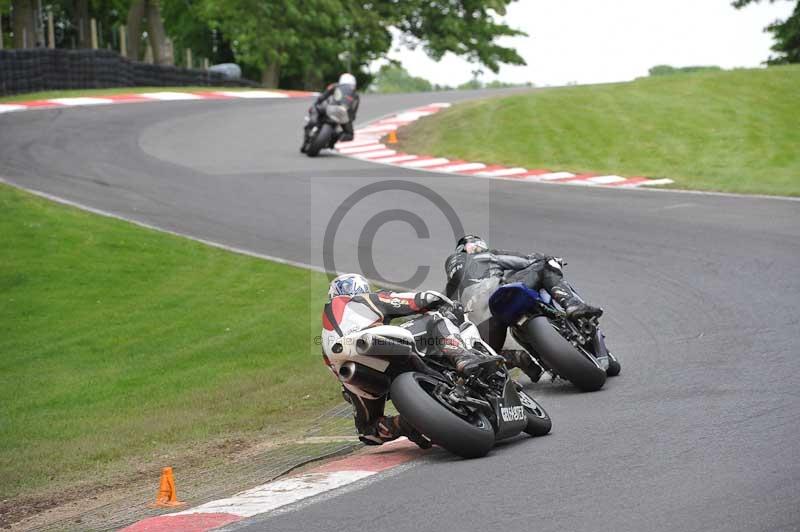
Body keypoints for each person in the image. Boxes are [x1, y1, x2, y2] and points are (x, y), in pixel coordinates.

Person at [321, 273, 496, 448]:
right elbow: (414, 301)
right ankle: (462, 357)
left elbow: (334, 368)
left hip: (351, 372)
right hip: (370, 341)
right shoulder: (362, 300)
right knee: (435, 318)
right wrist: (443, 302)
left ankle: (404, 424)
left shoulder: (325, 334)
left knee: (368, 431)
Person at [444, 235, 602, 381]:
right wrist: (553, 261)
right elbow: (528, 261)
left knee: (485, 351)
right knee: (544, 264)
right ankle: (572, 304)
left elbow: (444, 314)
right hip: (499, 297)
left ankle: (516, 357)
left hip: (483, 334)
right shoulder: (484, 256)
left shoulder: (449, 292)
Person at [301, 73, 360, 153]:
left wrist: (316, 104)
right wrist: (350, 120)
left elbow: (323, 96)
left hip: (329, 109)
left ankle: (330, 139)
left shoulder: (335, 86)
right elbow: (353, 110)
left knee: (315, 110)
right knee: (349, 134)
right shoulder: (355, 94)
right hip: (342, 115)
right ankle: (333, 140)